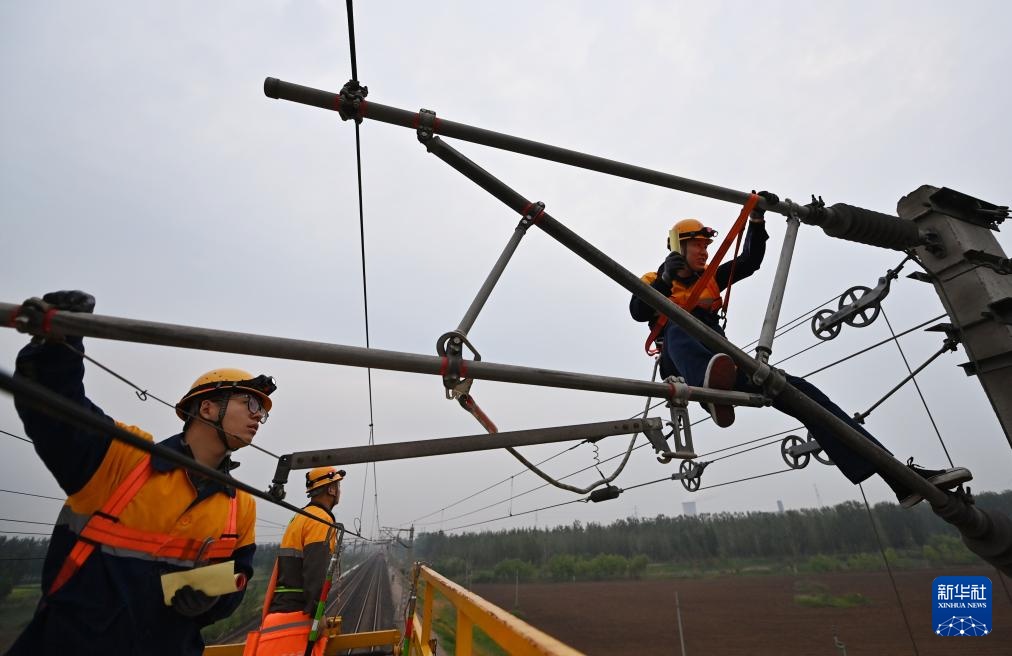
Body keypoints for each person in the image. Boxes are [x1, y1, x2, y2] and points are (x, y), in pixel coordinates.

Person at [629, 200, 971, 508]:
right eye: (697, 245)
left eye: (706, 245)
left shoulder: (712, 277)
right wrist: (663, 280)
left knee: (809, 399)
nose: (704, 251)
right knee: (677, 324)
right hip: (680, 357)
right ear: (679, 247)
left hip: (723, 360)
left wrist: (758, 219)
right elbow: (639, 311)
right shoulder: (655, 280)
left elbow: (750, 261)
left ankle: (899, 479)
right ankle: (712, 390)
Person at [10, 290, 276, 656]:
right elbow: (54, 408)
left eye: (262, 412)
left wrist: (210, 601)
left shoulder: (239, 505)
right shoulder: (125, 460)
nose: (257, 418)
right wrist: (58, 344)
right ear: (209, 407)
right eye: (250, 403)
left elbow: (237, 580)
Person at [245, 466, 344, 656]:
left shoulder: (299, 517)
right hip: (297, 614)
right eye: (337, 486)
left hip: (281, 610)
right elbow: (316, 570)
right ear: (331, 489)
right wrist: (318, 613)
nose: (339, 491)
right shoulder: (321, 519)